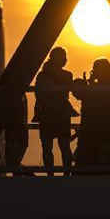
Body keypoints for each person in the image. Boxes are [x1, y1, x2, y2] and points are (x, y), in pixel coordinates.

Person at [73, 58, 110, 168]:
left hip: (105, 133)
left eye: (95, 68)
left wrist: (90, 84)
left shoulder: (104, 88)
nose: (93, 70)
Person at [34, 47, 75, 176]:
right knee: (64, 145)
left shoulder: (42, 75)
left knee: (47, 146)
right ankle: (66, 174)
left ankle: (50, 175)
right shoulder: (67, 75)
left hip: (46, 112)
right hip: (61, 112)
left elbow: (38, 95)